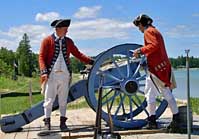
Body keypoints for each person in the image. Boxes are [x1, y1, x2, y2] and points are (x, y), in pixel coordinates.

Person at [39, 19, 94, 131]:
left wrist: (91, 61)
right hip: (51, 75)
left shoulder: (68, 41)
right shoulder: (47, 40)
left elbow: (78, 54)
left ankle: (63, 123)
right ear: (57, 29)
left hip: (65, 75)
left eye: (67, 29)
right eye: (65, 29)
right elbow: (41, 57)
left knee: (63, 100)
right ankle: (47, 123)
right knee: (48, 100)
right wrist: (44, 71)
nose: (67, 31)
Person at [132, 14, 180, 130]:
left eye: (139, 26)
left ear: (142, 24)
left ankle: (176, 119)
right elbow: (155, 49)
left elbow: (154, 46)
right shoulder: (155, 31)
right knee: (150, 94)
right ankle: (152, 120)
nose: (139, 29)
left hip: (157, 69)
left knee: (166, 93)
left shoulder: (149, 32)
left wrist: (140, 50)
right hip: (158, 67)